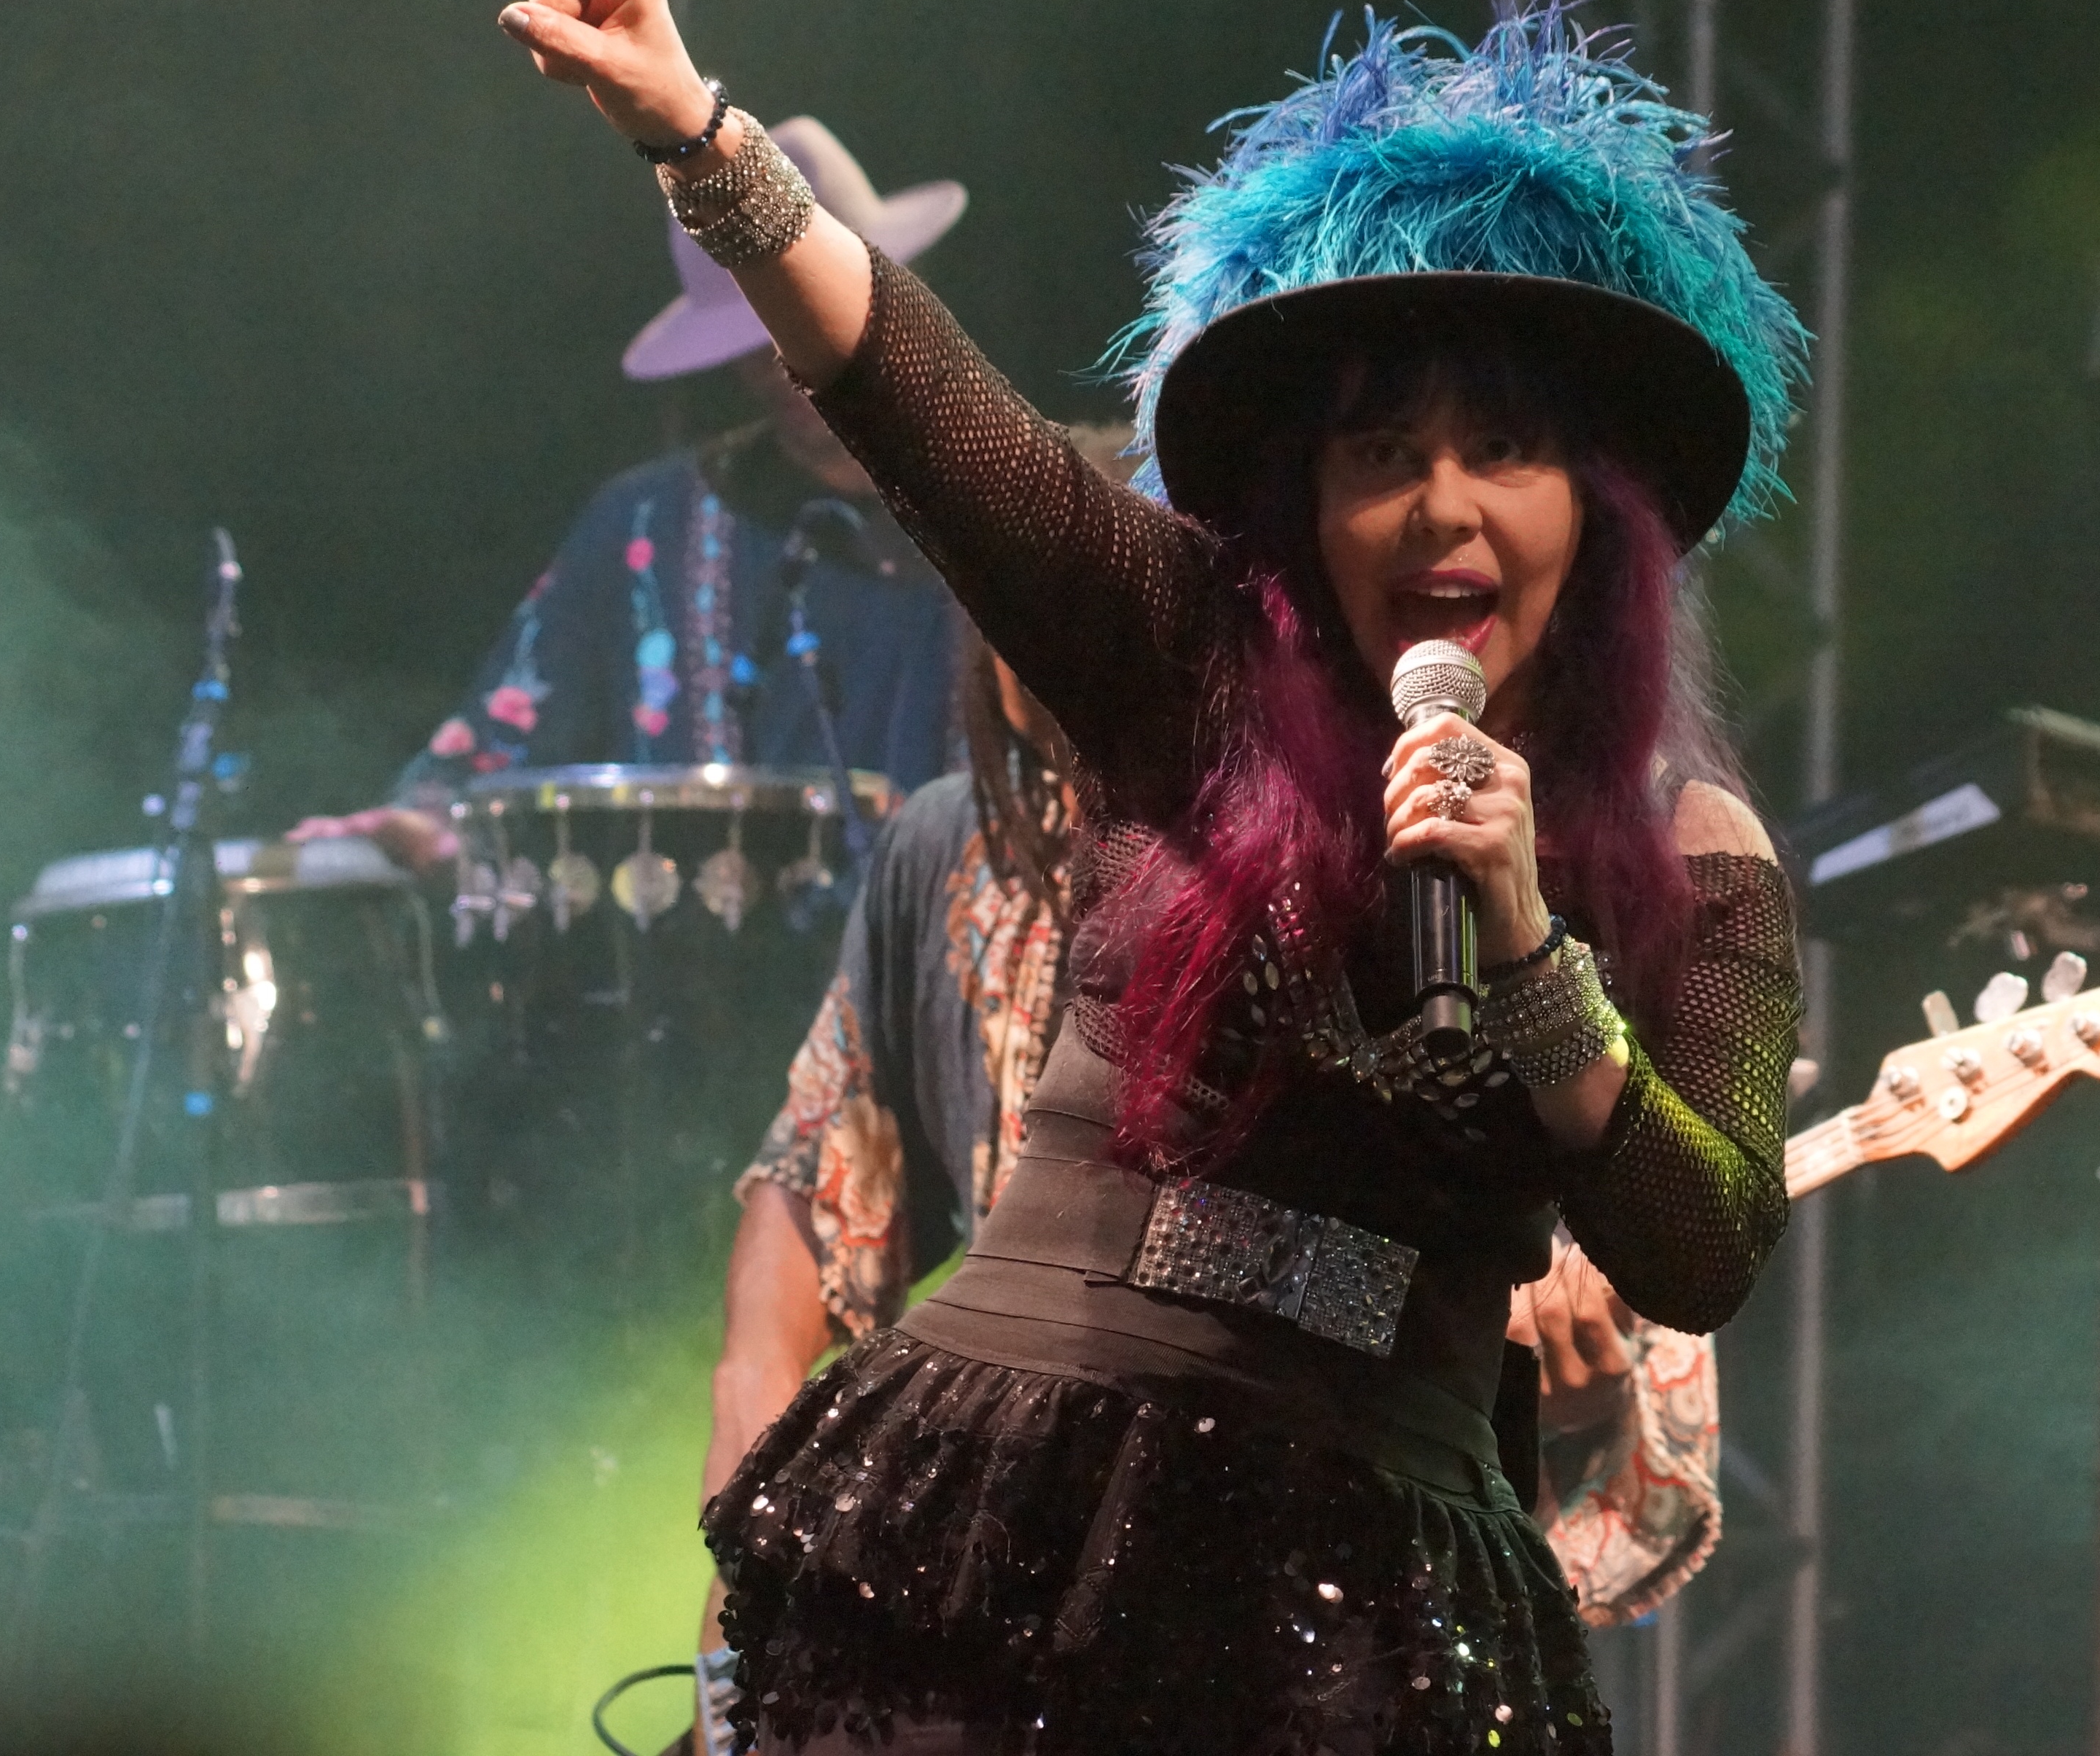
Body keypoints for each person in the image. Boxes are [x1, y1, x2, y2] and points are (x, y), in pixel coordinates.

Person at [502, 0, 1806, 1755]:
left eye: (1504, 454)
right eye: (1381, 454)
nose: (1440, 508)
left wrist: (1531, 947)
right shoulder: (1196, 668)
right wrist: (698, 133)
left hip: (1367, 1617)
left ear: (1597, 512)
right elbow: (940, 420)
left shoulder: (1693, 856)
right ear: (1310, 502)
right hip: (1017, 1512)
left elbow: (1705, 1241)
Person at [691, 607, 1728, 1728]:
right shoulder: (954, 846)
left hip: (1310, 1600)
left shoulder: (1428, 859)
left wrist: (1572, 1402)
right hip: (980, 1584)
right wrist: (744, 1622)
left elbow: (1642, 1319)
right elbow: (810, 1199)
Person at [293, 116, 968, 870]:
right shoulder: (648, 522)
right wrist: (421, 824)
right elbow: (500, 737)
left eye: (800, 314)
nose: (778, 359)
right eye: (748, 339)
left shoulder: (1026, 502)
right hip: (718, 941)